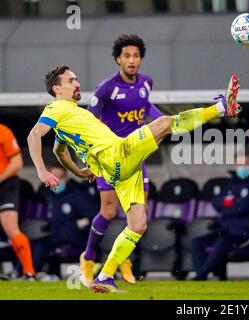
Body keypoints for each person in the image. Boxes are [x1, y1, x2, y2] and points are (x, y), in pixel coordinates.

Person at [27, 64, 240, 293]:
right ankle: (221, 108)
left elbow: (60, 150)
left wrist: (78, 172)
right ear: (57, 88)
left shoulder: (69, 115)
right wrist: (41, 170)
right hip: (117, 155)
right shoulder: (55, 108)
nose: (77, 83)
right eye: (71, 80)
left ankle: (105, 276)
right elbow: (34, 135)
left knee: (138, 225)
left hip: (121, 172)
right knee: (164, 123)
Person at [79, 34, 164, 287]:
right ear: (118, 59)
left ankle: (121, 262)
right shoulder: (107, 88)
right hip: (110, 158)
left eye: (136, 56)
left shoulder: (146, 83)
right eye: (126, 55)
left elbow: (147, 107)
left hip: (136, 158)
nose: (131, 60)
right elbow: (89, 123)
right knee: (108, 210)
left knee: (138, 218)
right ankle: (88, 258)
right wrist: (90, 158)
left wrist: (166, 123)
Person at [191, 150, 249, 280]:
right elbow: (217, 201)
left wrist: (229, 207)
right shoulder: (232, 183)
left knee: (224, 240)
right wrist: (234, 205)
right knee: (196, 242)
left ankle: (201, 276)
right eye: (240, 164)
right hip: (227, 229)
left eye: (247, 164)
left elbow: (246, 205)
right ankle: (203, 274)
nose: (243, 167)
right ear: (235, 166)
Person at [33, 163, 96, 278]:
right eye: (53, 177)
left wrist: (80, 224)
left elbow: (93, 216)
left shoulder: (77, 193)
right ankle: (29, 274)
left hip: (74, 236)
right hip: (53, 234)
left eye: (59, 177)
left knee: (46, 245)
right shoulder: (45, 192)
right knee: (38, 244)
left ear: (66, 177)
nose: (56, 181)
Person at [0, 124, 36, 280]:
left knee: (10, 227)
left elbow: (17, 163)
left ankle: (29, 273)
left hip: (6, 183)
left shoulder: (3, 131)